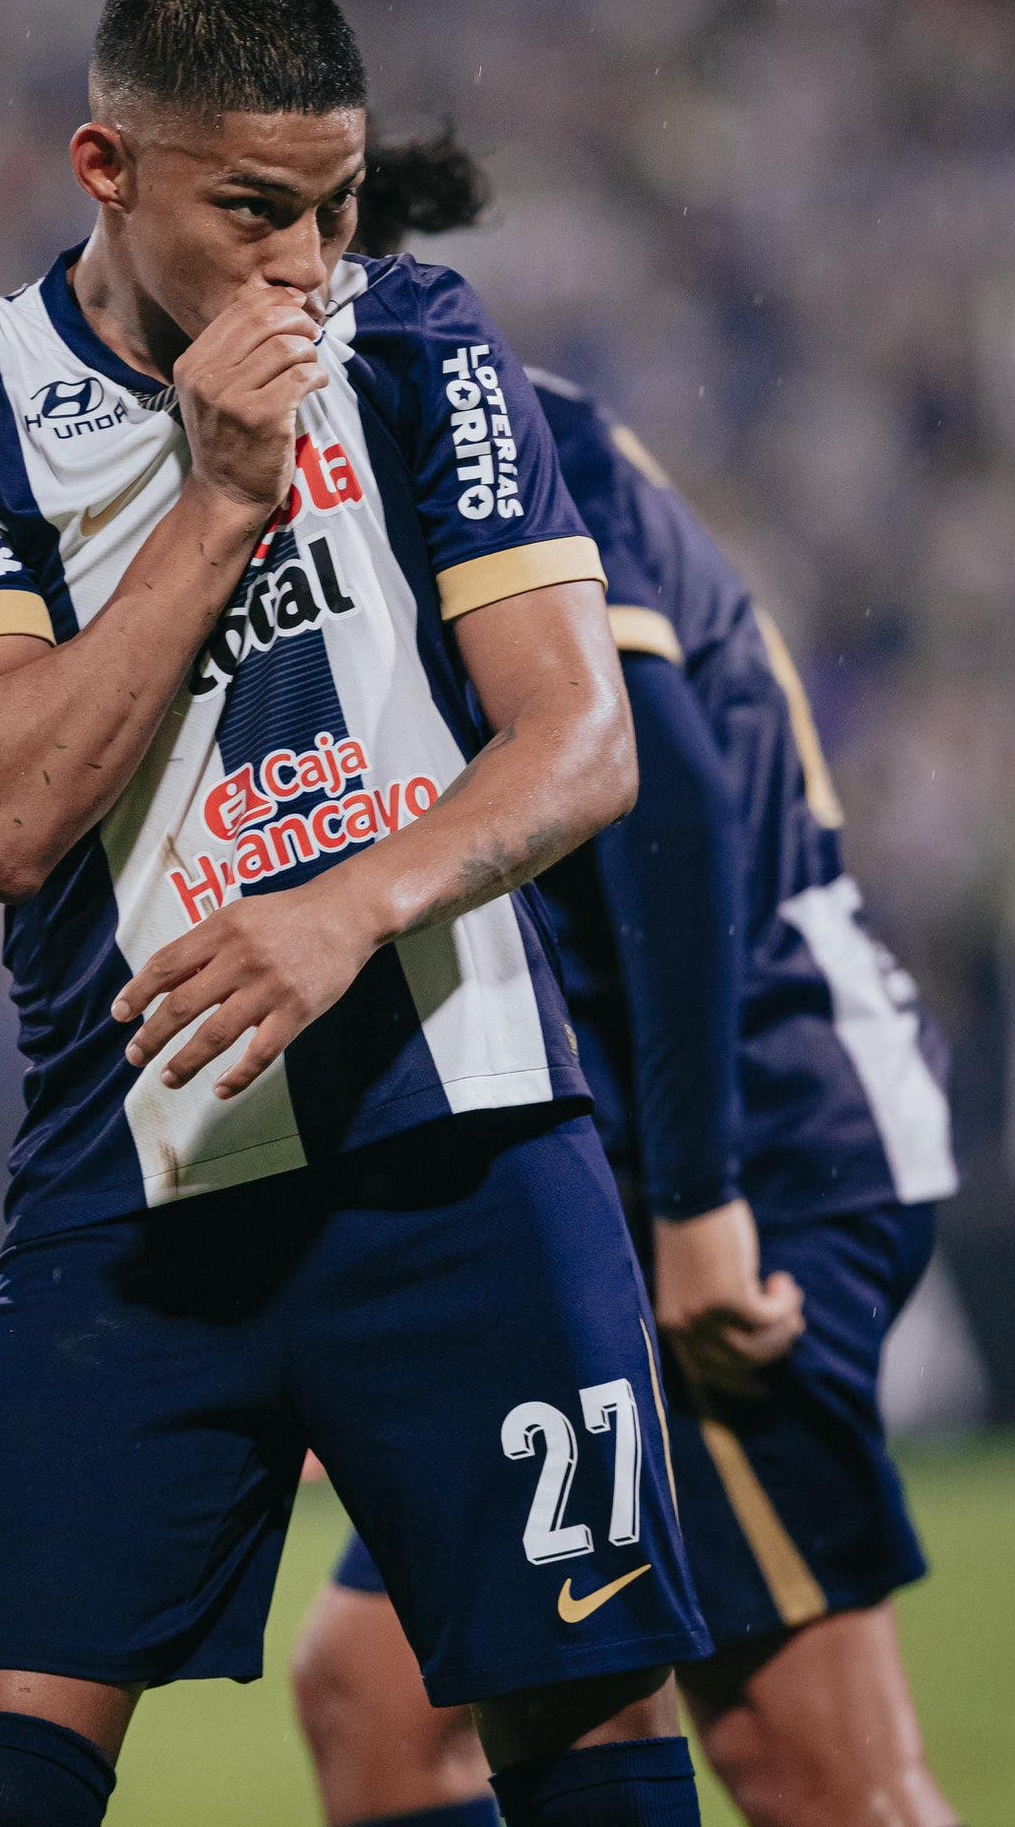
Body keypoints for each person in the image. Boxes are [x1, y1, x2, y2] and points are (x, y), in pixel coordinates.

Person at [0, 0, 713, 1827]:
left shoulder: (419, 338)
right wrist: (223, 494)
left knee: (595, 1757)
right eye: (252, 210)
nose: (306, 266)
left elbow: (582, 742)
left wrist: (349, 906)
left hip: (466, 1164)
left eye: (334, 204)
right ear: (105, 166)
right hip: (136, 1186)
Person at [291, 135, 960, 1827]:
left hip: (742, 1139)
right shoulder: (381, 482)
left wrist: (697, 1205)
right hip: (617, 1170)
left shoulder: (520, 444)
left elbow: (654, 800)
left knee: (804, 1764)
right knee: (377, 1702)